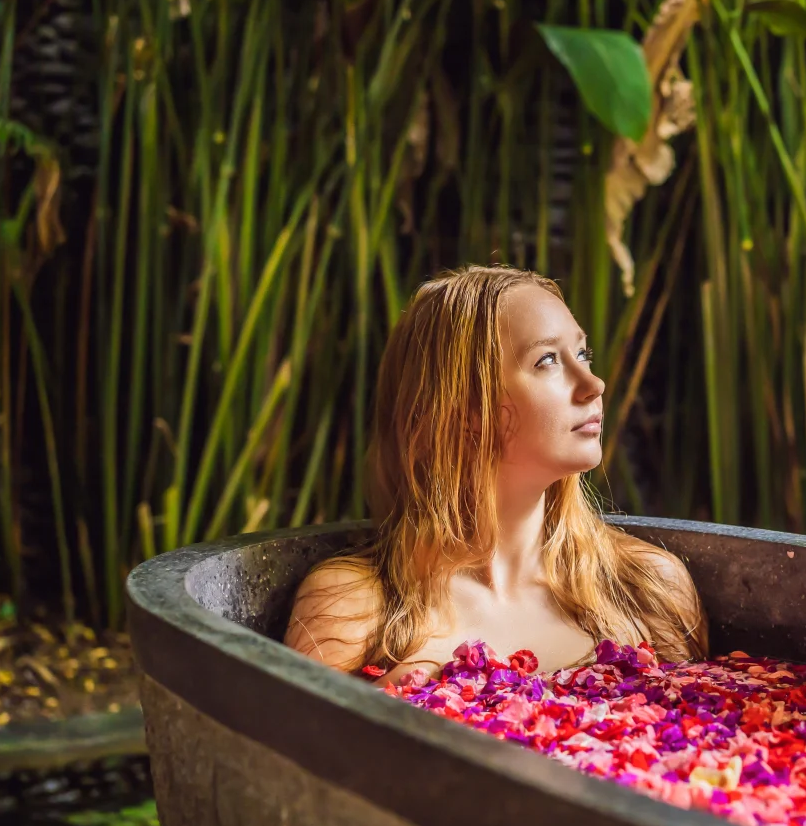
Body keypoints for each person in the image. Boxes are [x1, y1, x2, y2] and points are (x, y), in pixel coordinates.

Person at [285, 265, 707, 684]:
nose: (593, 384)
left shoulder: (648, 589)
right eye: (547, 361)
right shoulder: (351, 609)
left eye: (582, 354)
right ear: (464, 409)